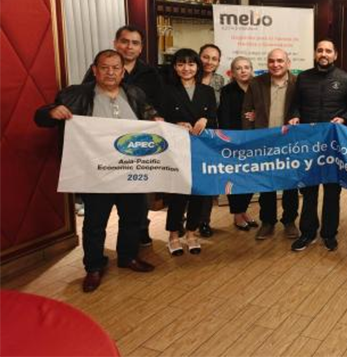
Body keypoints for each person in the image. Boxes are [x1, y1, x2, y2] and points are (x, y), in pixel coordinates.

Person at [35, 49, 157, 292]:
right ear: (95, 70)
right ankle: (93, 267)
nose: (110, 72)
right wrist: (51, 112)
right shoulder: (75, 94)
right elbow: (40, 117)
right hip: (95, 173)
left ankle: (128, 257)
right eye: (104, 67)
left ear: (123, 72)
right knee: (94, 223)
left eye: (115, 68)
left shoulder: (134, 93)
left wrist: (157, 120)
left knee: (133, 218)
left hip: (130, 172)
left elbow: (149, 114)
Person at [82, 25, 162, 246]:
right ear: (116, 43)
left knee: (134, 208)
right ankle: (95, 262)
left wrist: (157, 121)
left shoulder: (148, 76)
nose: (129, 47)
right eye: (125, 41)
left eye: (135, 43)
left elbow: (154, 106)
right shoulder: (95, 75)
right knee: (96, 216)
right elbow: (82, 103)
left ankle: (133, 245)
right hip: (100, 156)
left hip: (134, 152)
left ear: (141, 48)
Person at [288, 40, 347, 252]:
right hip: (308, 144)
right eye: (320, 50)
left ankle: (329, 234)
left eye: (328, 51)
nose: (323, 54)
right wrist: (295, 116)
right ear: (315, 54)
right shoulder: (303, 77)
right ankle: (307, 233)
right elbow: (295, 105)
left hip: (333, 145)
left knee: (332, 192)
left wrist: (344, 119)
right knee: (308, 191)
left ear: (335, 55)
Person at [161, 48, 218, 257]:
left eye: (191, 64)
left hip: (201, 149)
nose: (186, 68)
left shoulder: (207, 91)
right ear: (175, 67)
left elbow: (214, 119)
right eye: (181, 64)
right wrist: (176, 124)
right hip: (177, 148)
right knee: (178, 194)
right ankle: (173, 235)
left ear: (197, 67)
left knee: (198, 193)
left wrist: (206, 120)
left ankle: (192, 233)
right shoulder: (167, 90)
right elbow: (160, 119)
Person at [241, 48, 301, 240]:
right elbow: (247, 112)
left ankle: (289, 221)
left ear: (288, 63)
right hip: (263, 142)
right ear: (267, 63)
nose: (276, 65)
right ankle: (267, 222)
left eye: (280, 61)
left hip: (290, 143)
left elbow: (303, 110)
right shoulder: (256, 83)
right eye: (272, 61)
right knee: (266, 185)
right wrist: (249, 140)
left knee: (290, 185)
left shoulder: (298, 83)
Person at [218, 56, 259, 231]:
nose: (243, 71)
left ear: (251, 70)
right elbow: (224, 117)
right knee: (236, 178)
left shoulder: (258, 88)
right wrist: (230, 141)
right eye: (238, 68)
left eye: (246, 67)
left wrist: (257, 114)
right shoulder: (227, 91)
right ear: (232, 73)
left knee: (251, 178)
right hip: (234, 141)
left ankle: (243, 210)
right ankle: (237, 214)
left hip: (255, 139)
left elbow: (264, 110)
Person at [197, 43, 225, 238]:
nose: (209, 62)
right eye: (206, 57)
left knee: (207, 179)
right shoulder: (188, 75)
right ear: (199, 57)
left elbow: (220, 108)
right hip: (187, 134)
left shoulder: (219, 80)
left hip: (210, 135)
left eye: (214, 59)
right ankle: (183, 219)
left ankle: (203, 221)